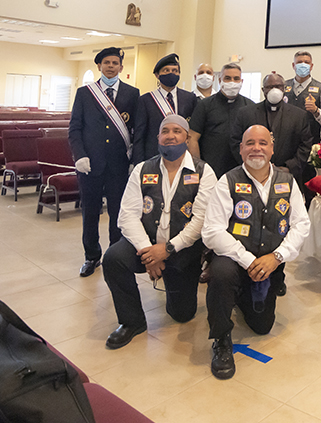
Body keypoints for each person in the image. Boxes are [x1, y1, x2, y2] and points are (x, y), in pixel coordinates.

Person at [203, 124, 310, 379]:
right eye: (250, 143)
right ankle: (221, 339)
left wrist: (276, 257)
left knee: (262, 327)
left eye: (263, 143)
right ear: (241, 149)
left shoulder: (288, 181)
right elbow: (211, 231)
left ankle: (242, 297)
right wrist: (248, 260)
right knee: (220, 274)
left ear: (272, 149)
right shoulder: (226, 181)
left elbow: (301, 224)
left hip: (270, 262)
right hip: (233, 259)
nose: (256, 148)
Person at [102, 115, 216, 349]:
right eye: (165, 131)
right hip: (146, 244)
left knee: (182, 314)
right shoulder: (143, 169)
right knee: (113, 259)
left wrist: (168, 249)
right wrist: (147, 251)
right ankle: (131, 322)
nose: (171, 135)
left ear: (187, 137)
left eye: (177, 131)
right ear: (158, 138)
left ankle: (173, 282)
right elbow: (127, 215)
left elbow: (202, 220)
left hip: (181, 249)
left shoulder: (204, 172)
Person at [69, 47, 140, 277]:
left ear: (121, 67)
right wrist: (79, 155)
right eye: (106, 62)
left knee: (119, 213)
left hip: (119, 165)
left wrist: (134, 159)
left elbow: (136, 130)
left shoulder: (132, 93)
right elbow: (75, 129)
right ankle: (91, 257)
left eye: (115, 62)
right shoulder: (85, 93)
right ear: (99, 66)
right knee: (90, 212)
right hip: (90, 165)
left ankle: (115, 256)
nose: (111, 66)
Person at [231, 72, 314, 214]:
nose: (274, 90)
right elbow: (235, 141)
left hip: (287, 176)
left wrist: (288, 168)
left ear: (284, 88)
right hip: (252, 175)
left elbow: (305, 145)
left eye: (278, 86)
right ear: (263, 90)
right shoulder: (246, 113)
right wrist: (253, 166)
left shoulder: (299, 115)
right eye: (270, 87)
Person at [189, 62, 255, 178]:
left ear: (241, 82)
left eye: (236, 79)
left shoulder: (250, 107)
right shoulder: (205, 105)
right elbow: (192, 138)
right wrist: (198, 167)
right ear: (220, 81)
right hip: (210, 170)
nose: (232, 82)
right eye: (227, 78)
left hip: (241, 171)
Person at [284, 51, 321, 204]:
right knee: (285, 193)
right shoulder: (283, 87)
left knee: (310, 196)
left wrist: (316, 111)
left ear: (311, 66)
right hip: (286, 150)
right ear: (293, 65)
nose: (303, 65)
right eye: (299, 62)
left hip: (310, 151)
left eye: (306, 62)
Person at [133, 53, 199, 163]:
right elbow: (140, 135)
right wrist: (138, 163)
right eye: (166, 70)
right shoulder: (145, 100)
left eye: (175, 71)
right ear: (157, 75)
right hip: (154, 156)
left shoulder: (189, 98)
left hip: (182, 156)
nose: (171, 73)